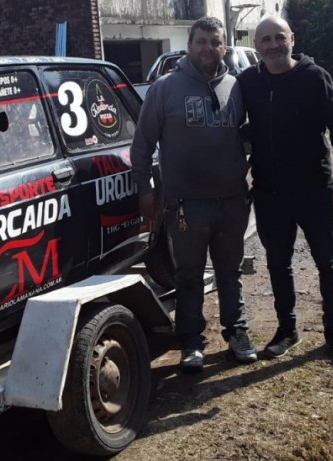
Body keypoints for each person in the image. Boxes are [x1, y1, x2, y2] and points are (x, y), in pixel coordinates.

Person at [131, 16, 256, 373]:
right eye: (201, 41)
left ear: (224, 46)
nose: (208, 49)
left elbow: (247, 133)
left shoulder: (236, 86)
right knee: (188, 276)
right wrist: (145, 190)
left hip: (232, 201)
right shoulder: (165, 88)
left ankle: (237, 333)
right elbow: (142, 147)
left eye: (215, 42)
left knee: (229, 272)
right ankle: (190, 341)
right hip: (185, 205)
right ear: (189, 45)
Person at [236, 15, 333, 361]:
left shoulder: (314, 77)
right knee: (278, 263)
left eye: (279, 37)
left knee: (327, 264)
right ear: (257, 46)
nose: (273, 45)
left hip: (314, 190)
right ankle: (287, 330)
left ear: (292, 38)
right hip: (270, 194)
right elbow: (242, 127)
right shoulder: (248, 82)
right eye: (265, 40)